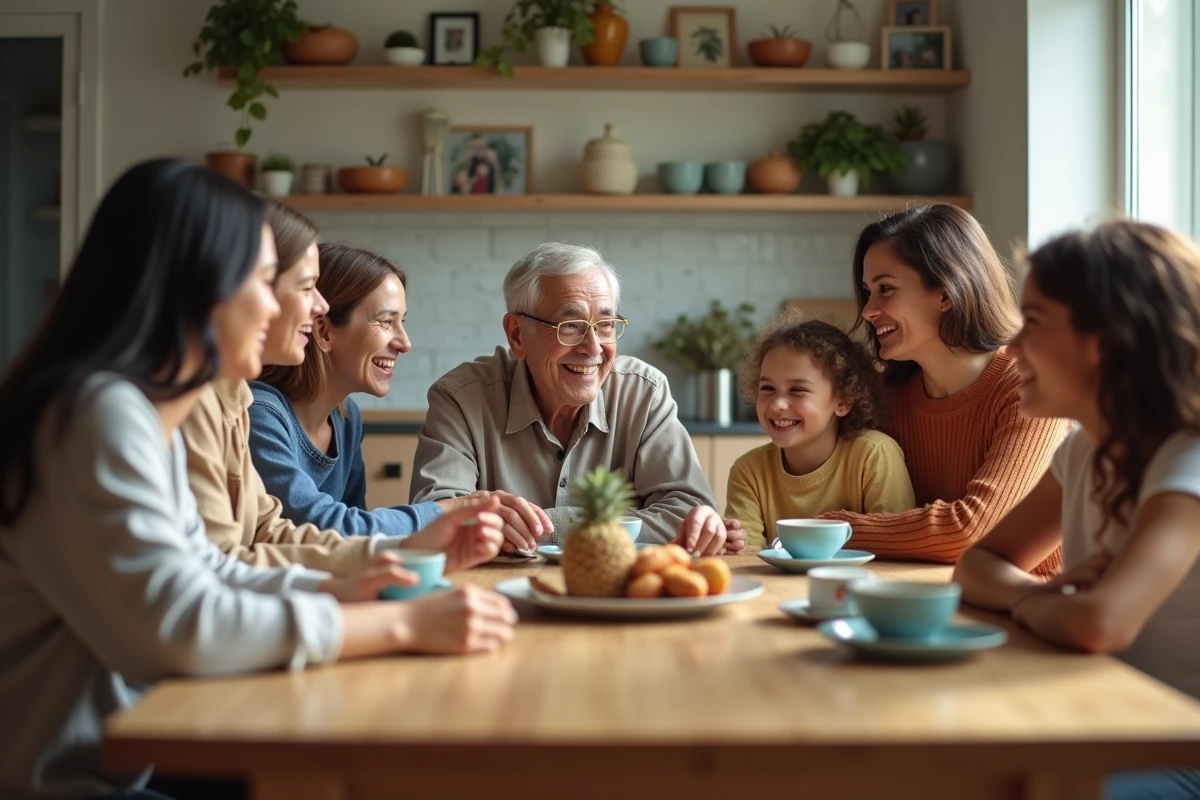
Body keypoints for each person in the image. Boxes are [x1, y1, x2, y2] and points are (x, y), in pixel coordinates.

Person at [0, 159, 516, 799]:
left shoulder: (136, 409)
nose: (310, 307)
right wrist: (401, 625)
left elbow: (208, 569)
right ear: (204, 284)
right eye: (272, 280)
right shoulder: (95, 413)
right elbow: (178, 624)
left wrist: (355, 583)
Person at [952, 220, 1200, 799]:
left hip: (1178, 752)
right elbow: (978, 562)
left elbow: (1100, 623)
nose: (1009, 348)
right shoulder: (1084, 448)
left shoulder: (1188, 458)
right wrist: (1029, 596)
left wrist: (1047, 606)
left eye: (1032, 323)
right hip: (1102, 720)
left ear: (1105, 340)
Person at [183, 203, 488, 572]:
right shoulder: (256, 411)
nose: (404, 342)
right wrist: (447, 510)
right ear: (324, 332)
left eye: (401, 322)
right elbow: (327, 529)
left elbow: (320, 536)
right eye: (386, 322)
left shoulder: (344, 418)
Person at [410, 242, 746, 556]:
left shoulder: (644, 392)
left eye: (605, 324)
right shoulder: (460, 399)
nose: (594, 348)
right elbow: (436, 522)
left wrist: (545, 526)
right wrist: (630, 523)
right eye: (570, 325)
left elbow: (689, 515)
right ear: (517, 335)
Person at [819, 203, 1069, 576]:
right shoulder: (886, 396)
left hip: (1022, 613)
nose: (869, 310)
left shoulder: (1028, 387)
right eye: (868, 291)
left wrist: (829, 528)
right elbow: (822, 484)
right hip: (915, 596)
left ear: (946, 293)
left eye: (886, 289)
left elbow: (971, 531)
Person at [726, 313, 915, 549]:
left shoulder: (875, 456)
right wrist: (732, 544)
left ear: (843, 401)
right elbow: (747, 557)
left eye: (797, 390)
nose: (777, 404)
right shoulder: (748, 471)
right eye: (768, 388)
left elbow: (895, 544)